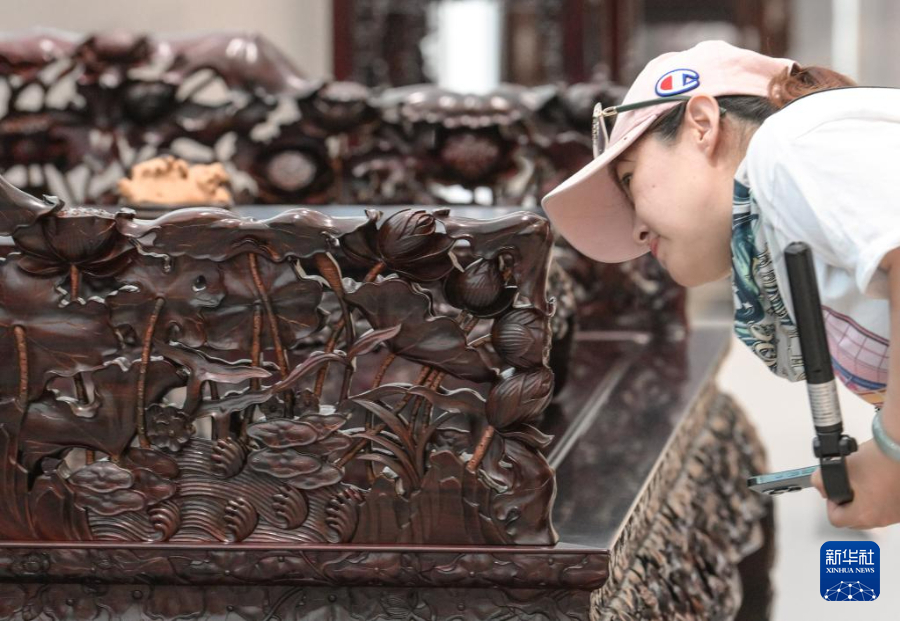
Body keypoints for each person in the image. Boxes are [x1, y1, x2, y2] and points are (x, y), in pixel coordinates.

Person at [541, 40, 900, 530]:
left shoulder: (790, 144)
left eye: (628, 179)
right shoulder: (789, 212)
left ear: (702, 126)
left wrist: (892, 455)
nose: (637, 230)